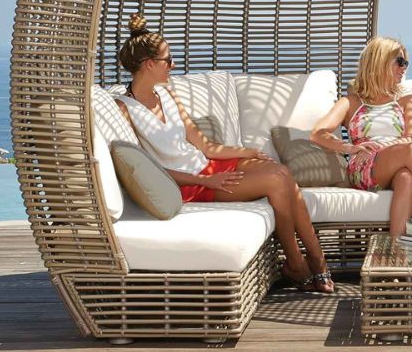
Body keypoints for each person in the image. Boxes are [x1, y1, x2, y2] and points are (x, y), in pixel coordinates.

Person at [113, 15, 333, 293]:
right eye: (168, 60)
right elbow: (147, 170)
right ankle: (300, 263)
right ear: (149, 65)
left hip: (208, 167)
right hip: (191, 186)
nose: (173, 65)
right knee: (277, 180)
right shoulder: (124, 109)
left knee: (281, 171)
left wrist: (247, 151)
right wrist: (207, 182)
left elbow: (205, 146)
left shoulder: (167, 96)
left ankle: (313, 259)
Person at [311, 36, 412, 235]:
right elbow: (318, 134)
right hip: (363, 167)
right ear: (379, 62)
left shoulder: (407, 99)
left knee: (406, 177)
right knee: (410, 151)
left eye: (406, 62)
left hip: (395, 161)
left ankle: (395, 249)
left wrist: (381, 147)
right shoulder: (351, 102)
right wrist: (349, 147)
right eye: (399, 61)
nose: (404, 67)